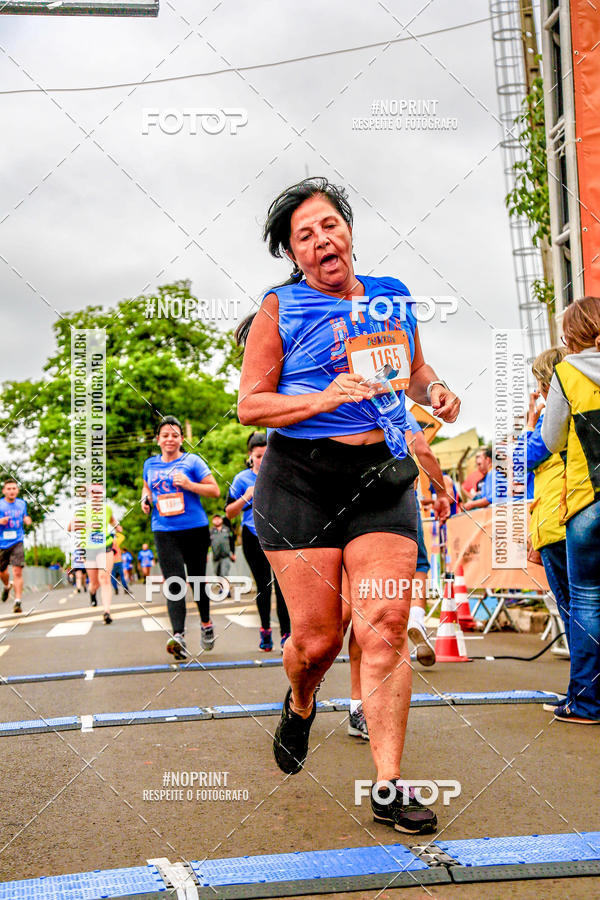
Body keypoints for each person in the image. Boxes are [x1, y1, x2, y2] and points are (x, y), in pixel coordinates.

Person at [236, 177, 460, 834]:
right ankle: (302, 701)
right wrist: (323, 397)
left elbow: (415, 370)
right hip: (301, 477)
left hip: (381, 475)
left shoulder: (391, 295)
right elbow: (252, 404)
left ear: (349, 231)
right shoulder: (281, 309)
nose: (322, 240)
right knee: (317, 640)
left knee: (385, 625)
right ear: (294, 256)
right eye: (305, 236)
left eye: (329, 224)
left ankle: (389, 786)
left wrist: (438, 390)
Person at [346, 411, 451, 739]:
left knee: (349, 615)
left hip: (341, 506)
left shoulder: (331, 399)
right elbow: (423, 451)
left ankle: (331, 697)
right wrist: (442, 492)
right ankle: (416, 616)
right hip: (393, 508)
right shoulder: (394, 407)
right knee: (382, 614)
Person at [542, 297, 600, 725]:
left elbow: (551, 439)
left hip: (588, 500)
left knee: (587, 602)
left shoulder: (567, 372)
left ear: (571, 335)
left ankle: (585, 702)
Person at [141, 416, 220, 660]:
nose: (170, 439)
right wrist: (145, 501)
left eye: (175, 435)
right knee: (174, 582)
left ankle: (206, 623)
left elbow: (215, 491)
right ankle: (179, 636)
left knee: (197, 580)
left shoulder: (192, 461)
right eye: (165, 435)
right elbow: (146, 488)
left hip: (194, 528)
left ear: (181, 439)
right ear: (158, 440)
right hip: (164, 529)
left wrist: (189, 484)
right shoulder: (150, 464)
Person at [526, 347, 569, 711]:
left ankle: (583, 693)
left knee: (574, 612)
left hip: (558, 522)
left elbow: (523, 459)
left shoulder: (553, 418)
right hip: (561, 519)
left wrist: (529, 425)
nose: (538, 392)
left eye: (540, 385)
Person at [225, 432, 291, 652]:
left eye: (267, 454)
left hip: (280, 535)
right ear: (250, 456)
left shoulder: (281, 473)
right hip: (253, 536)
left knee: (283, 587)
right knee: (263, 586)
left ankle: (286, 634)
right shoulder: (241, 479)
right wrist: (247, 496)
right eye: (259, 455)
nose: (263, 460)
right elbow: (229, 513)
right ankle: (265, 632)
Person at [68, 484, 119, 624]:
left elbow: (113, 521)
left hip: (105, 545)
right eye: (93, 492)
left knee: (105, 578)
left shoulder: (107, 509)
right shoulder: (83, 510)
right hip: (88, 548)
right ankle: (92, 592)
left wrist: (118, 527)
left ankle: (107, 612)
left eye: (99, 492)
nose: (96, 495)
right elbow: (69, 527)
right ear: (89, 495)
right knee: (94, 582)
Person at [0, 477, 32, 613]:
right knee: (2, 572)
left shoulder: (22, 504)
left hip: (18, 540)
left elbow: (25, 516)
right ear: (4, 491)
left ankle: (17, 601)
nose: (11, 491)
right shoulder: (0, 504)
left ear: (17, 490)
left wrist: (27, 519)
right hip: (2, 542)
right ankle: (7, 586)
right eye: (9, 489)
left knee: (17, 571)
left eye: (14, 488)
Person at [209, 514, 235, 592]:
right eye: (215, 519)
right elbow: (206, 543)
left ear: (221, 520)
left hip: (226, 555)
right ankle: (222, 587)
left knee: (224, 572)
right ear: (212, 521)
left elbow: (232, 542)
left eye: (218, 518)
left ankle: (225, 590)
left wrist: (233, 553)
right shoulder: (210, 531)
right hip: (216, 556)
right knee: (217, 573)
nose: (217, 520)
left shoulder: (227, 529)